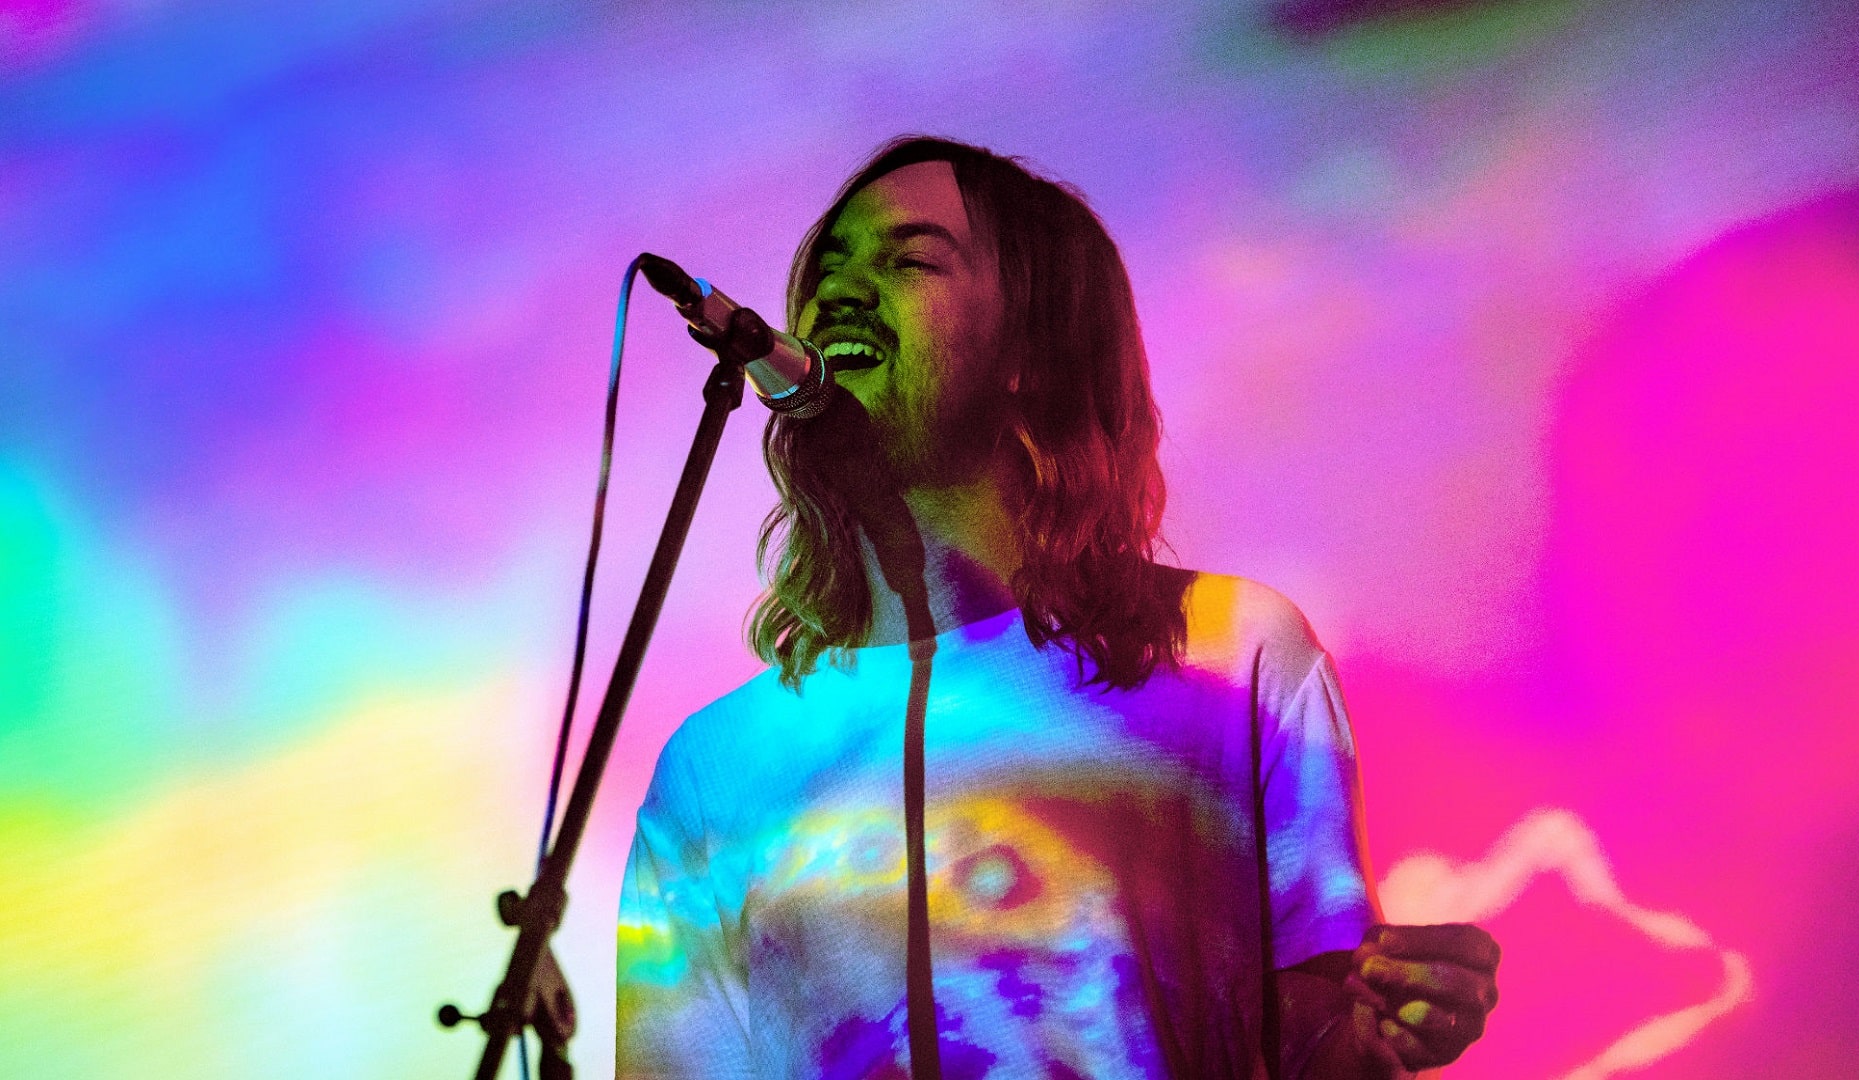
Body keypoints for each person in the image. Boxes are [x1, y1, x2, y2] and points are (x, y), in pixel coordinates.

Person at [616, 136, 1499, 1079]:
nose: (839, 293)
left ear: (1029, 353)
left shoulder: (1228, 657)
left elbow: (1319, 1037)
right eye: (827, 268)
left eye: (908, 260)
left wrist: (1383, 1031)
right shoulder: (714, 769)